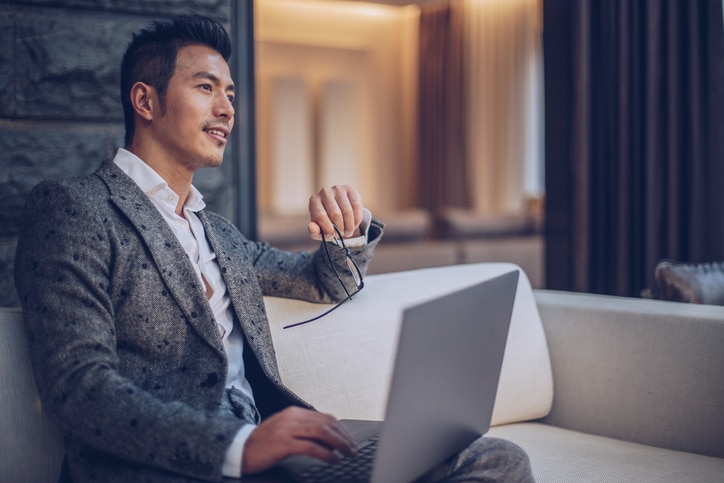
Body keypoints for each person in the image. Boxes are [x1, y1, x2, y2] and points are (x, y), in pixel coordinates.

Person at [14, 14, 534, 483]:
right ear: (146, 100)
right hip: (173, 464)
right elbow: (78, 387)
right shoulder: (74, 209)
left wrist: (345, 233)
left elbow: (323, 282)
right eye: (205, 87)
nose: (226, 109)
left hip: (274, 454)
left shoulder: (218, 232)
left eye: (232, 95)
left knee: (495, 458)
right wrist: (239, 444)